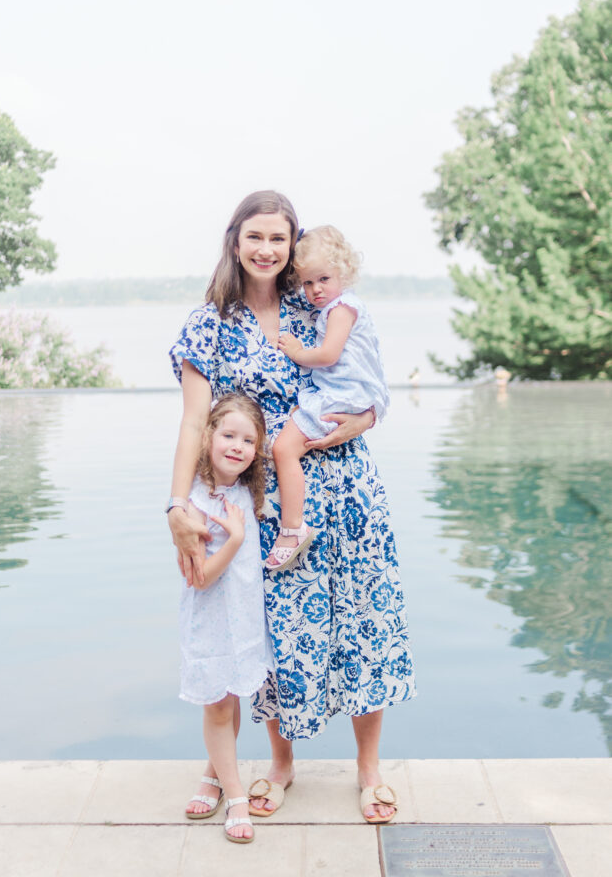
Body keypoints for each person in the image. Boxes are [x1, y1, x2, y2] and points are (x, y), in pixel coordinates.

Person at [168, 190, 415, 825]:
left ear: (294, 244)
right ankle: (280, 765)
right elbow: (196, 422)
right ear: (235, 240)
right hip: (265, 503)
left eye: (280, 238)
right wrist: (177, 506)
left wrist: (354, 423)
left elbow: (373, 388)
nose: (268, 250)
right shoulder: (210, 324)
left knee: (363, 621)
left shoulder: (319, 303)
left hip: (349, 490)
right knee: (278, 632)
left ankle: (369, 770)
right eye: (256, 237)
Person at [178, 393, 273, 844]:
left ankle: (213, 775)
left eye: (248, 440)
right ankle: (236, 797)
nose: (237, 446)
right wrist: (233, 540)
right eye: (228, 434)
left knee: (231, 697)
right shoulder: (194, 502)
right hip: (212, 620)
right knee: (217, 702)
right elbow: (200, 579)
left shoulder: (242, 492)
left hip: (243, 619)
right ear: (208, 435)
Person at [267, 225, 390, 570]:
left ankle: (292, 528)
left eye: (323, 279)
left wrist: (297, 351)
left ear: (344, 272)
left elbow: (328, 355)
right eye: (307, 283)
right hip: (348, 394)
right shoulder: (340, 306)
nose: (315, 290)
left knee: (284, 448)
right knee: (289, 447)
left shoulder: (340, 309)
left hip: (340, 397)